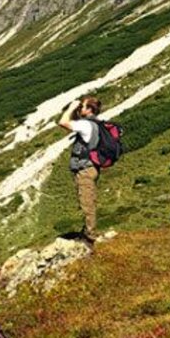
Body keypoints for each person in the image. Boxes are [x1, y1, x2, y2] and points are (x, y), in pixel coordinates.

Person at [58, 95, 102, 244]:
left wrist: (71, 108)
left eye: (82, 106)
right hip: (90, 167)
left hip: (85, 169)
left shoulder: (85, 125)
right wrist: (78, 110)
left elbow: (63, 122)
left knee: (87, 202)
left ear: (89, 109)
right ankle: (88, 231)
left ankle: (91, 236)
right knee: (87, 199)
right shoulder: (94, 124)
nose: (79, 108)